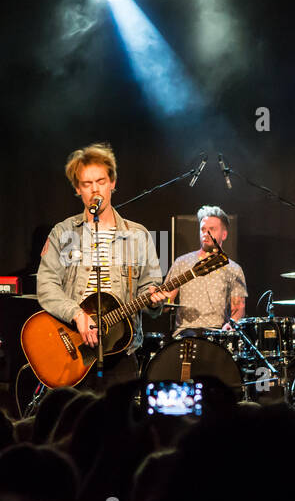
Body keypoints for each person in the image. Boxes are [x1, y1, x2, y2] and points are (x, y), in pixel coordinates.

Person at [35, 144, 169, 386]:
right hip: (73, 347)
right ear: (78, 189)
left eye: (101, 181)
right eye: (87, 184)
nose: (95, 189)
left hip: (121, 350)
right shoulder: (64, 232)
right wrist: (76, 314)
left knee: (117, 423)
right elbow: (46, 286)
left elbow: (150, 288)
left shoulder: (138, 235)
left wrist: (154, 300)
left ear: (113, 183)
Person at [163, 205, 246, 334]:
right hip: (185, 333)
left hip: (216, 334)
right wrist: (162, 301)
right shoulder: (182, 262)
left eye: (212, 229)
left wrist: (231, 324)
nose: (205, 233)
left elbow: (238, 308)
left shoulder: (233, 269)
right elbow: (167, 301)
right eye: (203, 229)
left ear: (224, 234)